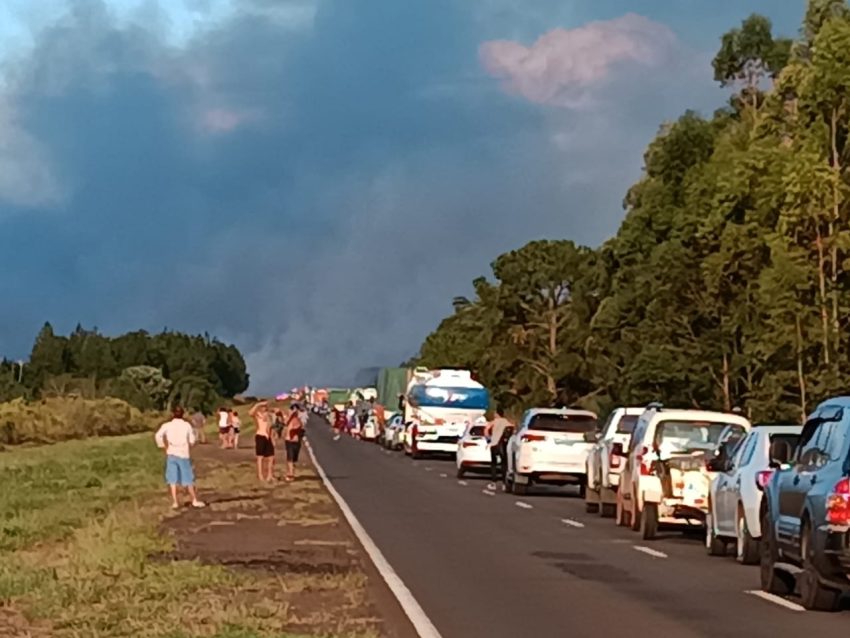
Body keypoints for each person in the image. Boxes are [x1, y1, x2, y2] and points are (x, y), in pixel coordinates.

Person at [155, 406, 206, 510]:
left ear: (173, 414)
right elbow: (192, 440)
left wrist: (163, 446)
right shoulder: (186, 425)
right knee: (188, 478)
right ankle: (194, 500)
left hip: (171, 453)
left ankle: (175, 502)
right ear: (183, 414)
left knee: (172, 479)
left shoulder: (167, 425)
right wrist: (190, 444)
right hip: (183, 454)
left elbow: (158, 435)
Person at [485, 409, 512, 491]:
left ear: (497, 414)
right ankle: (504, 484)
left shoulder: (493, 422)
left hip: (494, 444)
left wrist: (488, 439)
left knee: (494, 464)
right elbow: (512, 428)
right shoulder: (506, 422)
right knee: (504, 464)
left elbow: (486, 430)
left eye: (495, 413)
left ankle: (493, 483)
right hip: (502, 445)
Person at [250, 400, 276, 482]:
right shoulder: (258, 414)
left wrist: (272, 438)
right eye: (263, 406)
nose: (264, 408)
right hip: (260, 435)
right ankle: (260, 475)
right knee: (260, 457)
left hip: (268, 437)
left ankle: (270, 475)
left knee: (271, 457)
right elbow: (250, 413)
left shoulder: (269, 415)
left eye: (265, 406)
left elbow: (271, 428)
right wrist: (258, 404)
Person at [284, 404, 306, 481]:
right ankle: (291, 474)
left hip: (297, 442)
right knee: (290, 457)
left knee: (294, 459)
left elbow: (302, 429)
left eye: (296, 410)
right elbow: (285, 422)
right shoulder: (288, 418)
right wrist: (291, 414)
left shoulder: (299, 420)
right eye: (293, 410)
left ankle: (290, 471)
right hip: (289, 441)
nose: (295, 412)